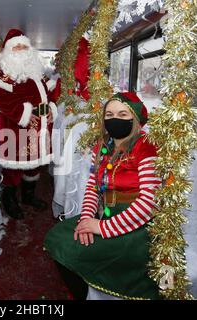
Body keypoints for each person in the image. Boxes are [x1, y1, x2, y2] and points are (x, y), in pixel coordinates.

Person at [44, 92, 162, 300]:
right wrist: (87, 219)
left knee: (75, 250)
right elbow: (92, 188)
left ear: (135, 119)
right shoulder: (102, 146)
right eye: (109, 114)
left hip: (137, 224)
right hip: (105, 213)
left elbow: (149, 202)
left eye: (122, 114)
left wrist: (101, 227)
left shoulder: (146, 146)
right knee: (57, 237)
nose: (114, 119)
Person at [0, 28, 58, 219]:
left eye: (24, 46)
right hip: (15, 127)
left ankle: (28, 196)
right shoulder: (0, 72)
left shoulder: (37, 71)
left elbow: (49, 93)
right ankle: (9, 201)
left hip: (40, 128)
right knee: (13, 167)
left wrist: (52, 107)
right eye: (16, 46)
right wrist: (24, 115)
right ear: (8, 50)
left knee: (34, 165)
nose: (20, 50)